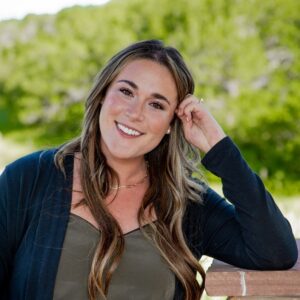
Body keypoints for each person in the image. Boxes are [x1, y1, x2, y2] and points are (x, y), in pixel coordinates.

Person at [0, 40, 297, 300]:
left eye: (156, 104)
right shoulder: (29, 178)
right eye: (127, 92)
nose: (135, 113)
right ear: (103, 94)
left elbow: (275, 250)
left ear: (171, 123)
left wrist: (220, 148)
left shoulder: (187, 203)